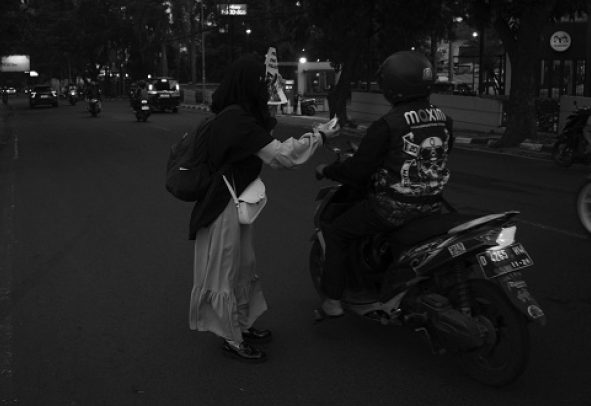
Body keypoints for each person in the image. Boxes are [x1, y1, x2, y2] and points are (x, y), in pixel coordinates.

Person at [189, 55, 339, 363]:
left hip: (235, 201)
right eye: (261, 81)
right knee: (225, 272)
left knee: (244, 266)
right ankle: (231, 338)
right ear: (247, 84)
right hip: (221, 206)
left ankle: (241, 324)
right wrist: (319, 136)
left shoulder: (240, 116)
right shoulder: (235, 120)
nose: (266, 85)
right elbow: (281, 156)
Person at [315, 51, 454, 317]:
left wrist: (328, 170)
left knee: (337, 232)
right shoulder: (444, 119)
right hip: (433, 206)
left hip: (393, 208)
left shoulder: (387, 124)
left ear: (392, 86)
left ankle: (332, 302)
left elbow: (357, 171)